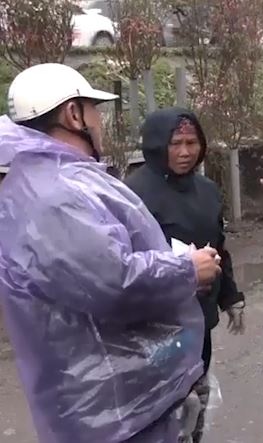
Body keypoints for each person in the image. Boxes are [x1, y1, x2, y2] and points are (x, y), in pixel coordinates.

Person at [0, 63, 222, 442]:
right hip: (111, 403)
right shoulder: (57, 193)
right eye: (93, 111)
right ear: (73, 115)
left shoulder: (40, 180)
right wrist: (187, 269)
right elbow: (113, 281)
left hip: (105, 388)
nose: (99, 122)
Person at [125, 107, 246, 443]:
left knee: (196, 403)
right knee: (162, 411)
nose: (185, 152)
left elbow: (218, 246)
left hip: (199, 319)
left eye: (192, 142)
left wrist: (230, 296)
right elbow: (122, 264)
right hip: (155, 325)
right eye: (175, 143)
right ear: (156, 145)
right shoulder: (132, 196)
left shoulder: (206, 190)